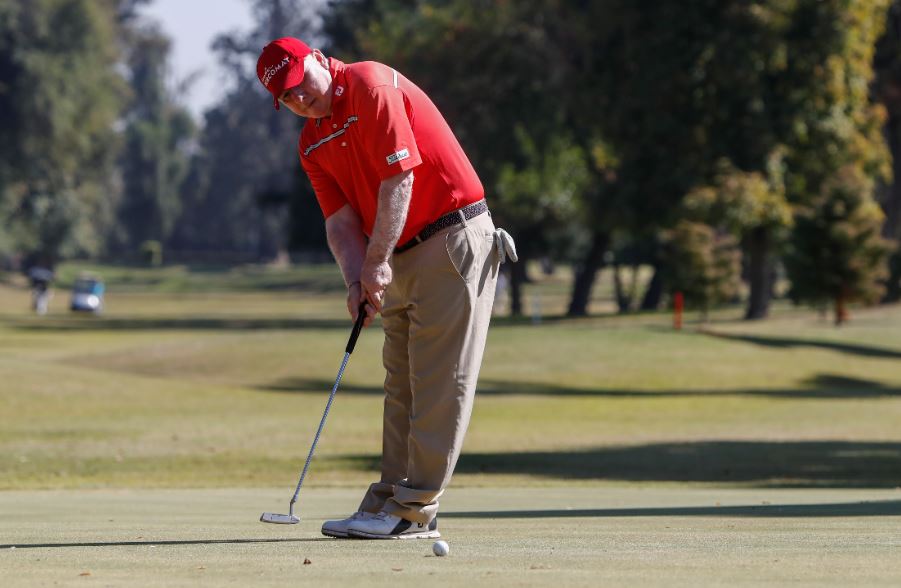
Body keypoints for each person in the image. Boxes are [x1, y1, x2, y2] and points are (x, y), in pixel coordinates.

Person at [256, 37, 517, 540]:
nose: (299, 99)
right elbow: (339, 222)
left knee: (439, 382)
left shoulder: (370, 85)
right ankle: (387, 501)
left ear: (316, 59)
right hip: (396, 253)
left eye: (299, 84)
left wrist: (376, 262)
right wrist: (356, 279)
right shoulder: (311, 142)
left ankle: (415, 510)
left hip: (451, 236)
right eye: (286, 97)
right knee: (401, 385)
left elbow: (400, 180)